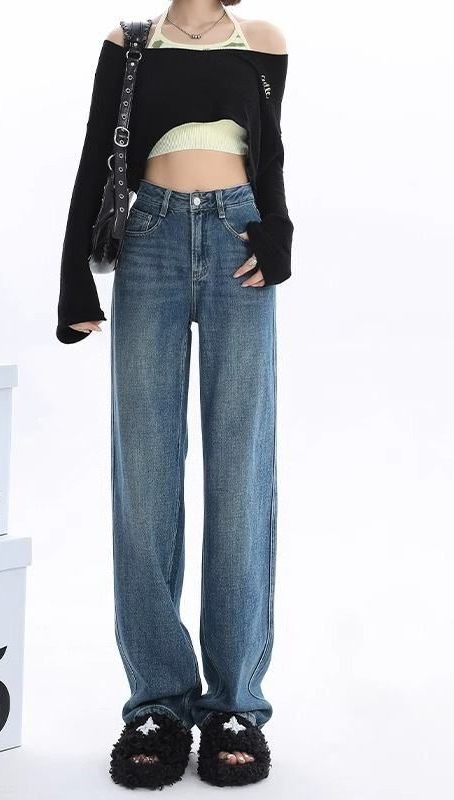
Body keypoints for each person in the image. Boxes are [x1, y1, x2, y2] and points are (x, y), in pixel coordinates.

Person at [56, 0, 293, 789]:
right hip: (150, 242)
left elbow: (271, 150)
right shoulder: (129, 42)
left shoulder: (262, 41)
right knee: (146, 479)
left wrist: (279, 232)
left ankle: (235, 705)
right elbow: (98, 152)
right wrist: (74, 280)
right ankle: (157, 703)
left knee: (240, 476)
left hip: (239, 243)